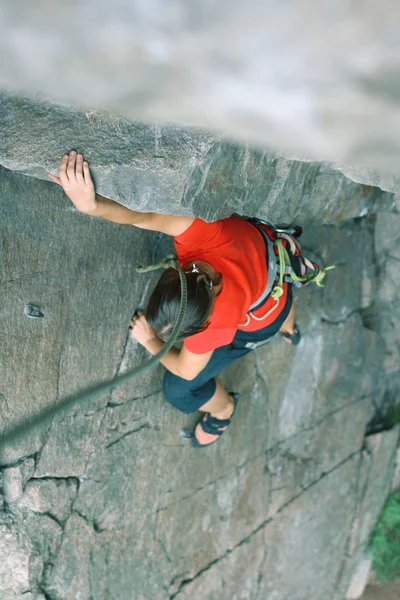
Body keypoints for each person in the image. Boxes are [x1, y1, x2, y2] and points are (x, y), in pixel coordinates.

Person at [49, 150, 301, 448]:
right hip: (273, 272)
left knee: (178, 391)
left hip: (261, 313)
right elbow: (143, 216)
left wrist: (150, 341)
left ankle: (224, 410)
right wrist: (90, 206)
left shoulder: (218, 323)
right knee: (274, 300)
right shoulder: (203, 233)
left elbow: (185, 369)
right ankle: (290, 329)